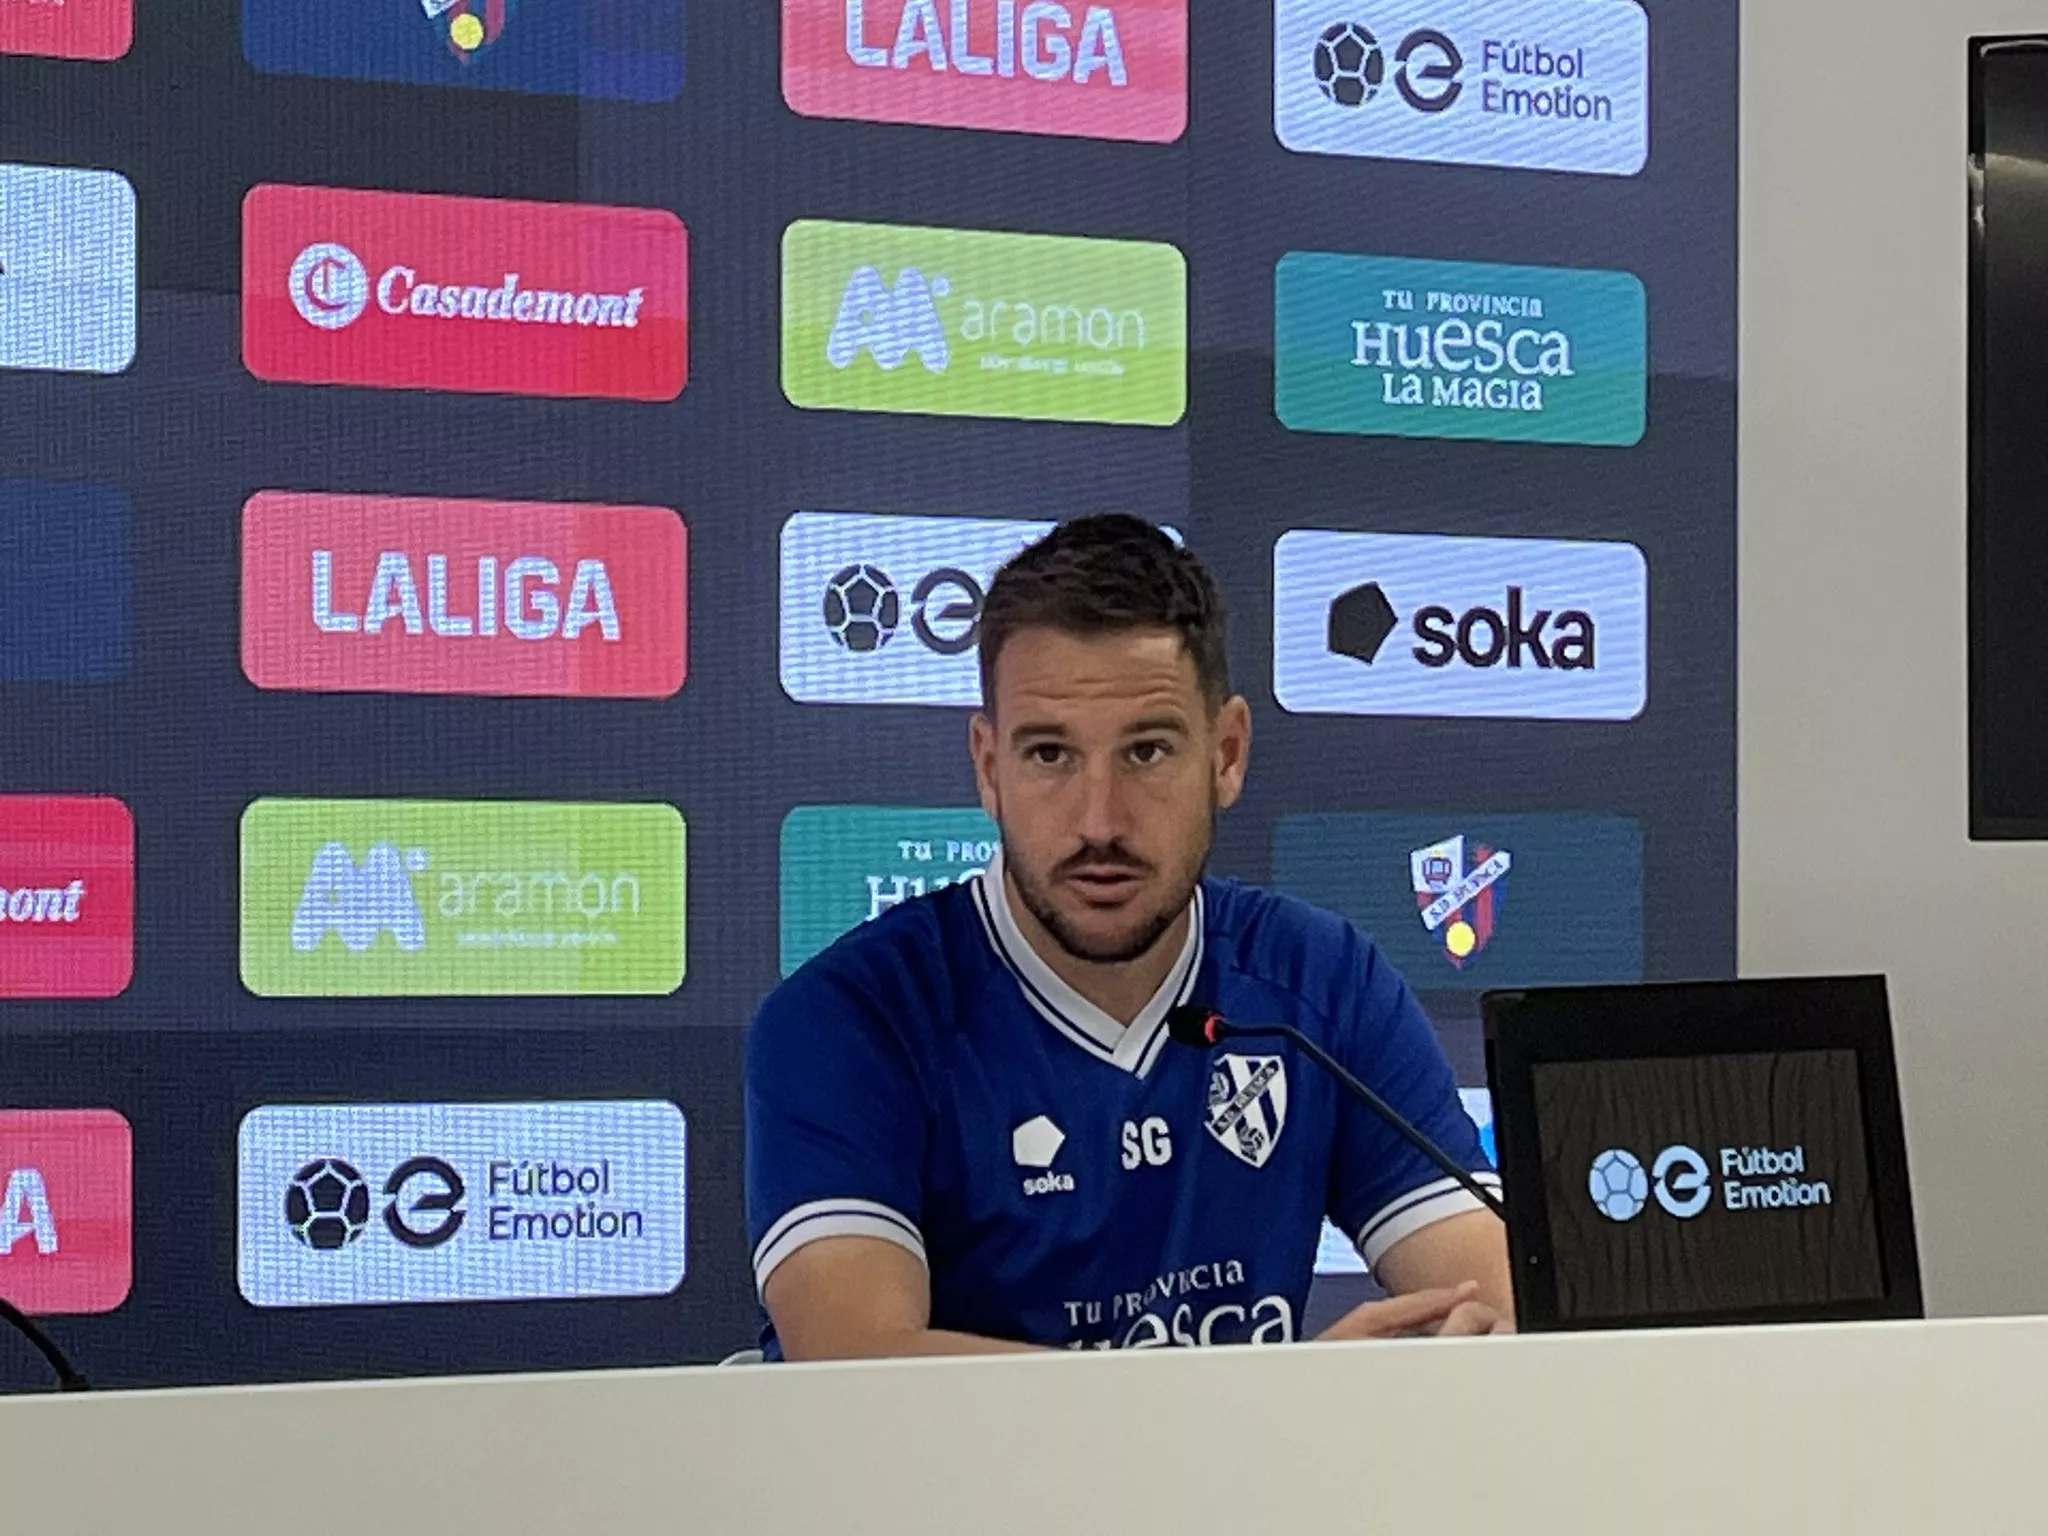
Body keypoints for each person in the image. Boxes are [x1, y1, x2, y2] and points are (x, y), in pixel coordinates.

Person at [746, 514, 1511, 1359]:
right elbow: (857, 1366)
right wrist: (1278, 1404)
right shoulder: (850, 1019)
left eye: (1146, 752)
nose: (1098, 820)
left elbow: (1502, 1295)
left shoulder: (1319, 982)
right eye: (1049, 755)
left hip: (1236, 1490)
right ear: (988, 767)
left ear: (1226, 754)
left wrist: (1467, 1339)